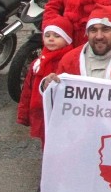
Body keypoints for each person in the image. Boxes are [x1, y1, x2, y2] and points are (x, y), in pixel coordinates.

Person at [17, 16, 75, 147]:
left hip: (62, 113)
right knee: (46, 143)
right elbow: (27, 91)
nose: (51, 39)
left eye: (57, 35)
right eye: (47, 35)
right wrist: (24, 114)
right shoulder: (37, 63)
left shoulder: (70, 61)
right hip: (40, 111)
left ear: (67, 39)